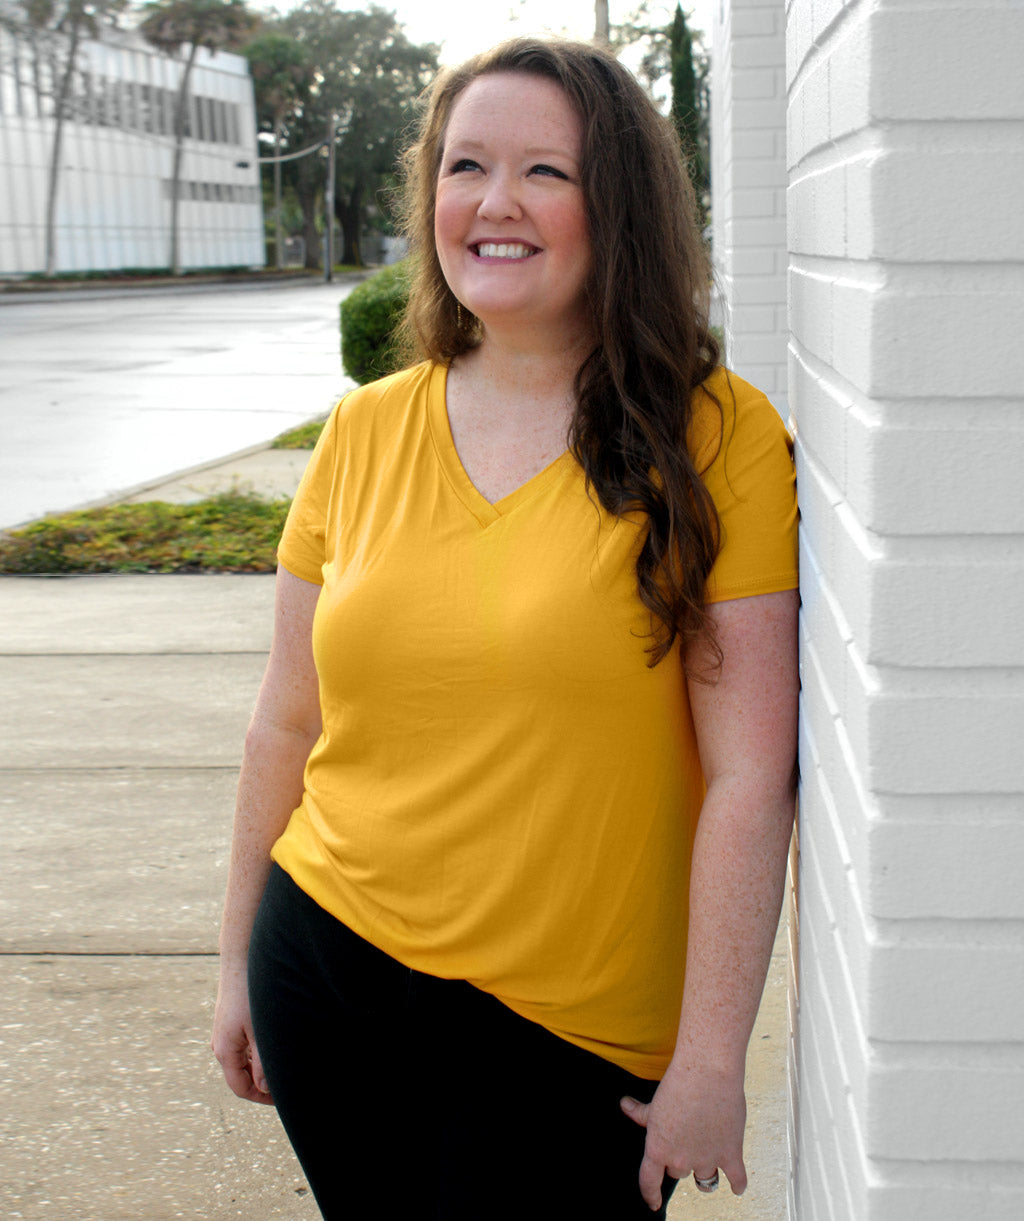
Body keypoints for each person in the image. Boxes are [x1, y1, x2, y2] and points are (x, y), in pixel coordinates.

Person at [212, 37, 798, 1221]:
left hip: (576, 1030)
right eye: (464, 164)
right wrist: (232, 965)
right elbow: (287, 719)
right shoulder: (364, 430)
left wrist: (712, 1054)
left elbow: (749, 773)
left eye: (546, 172)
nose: (492, 203)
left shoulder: (718, 436)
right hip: (328, 965)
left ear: (618, 205)